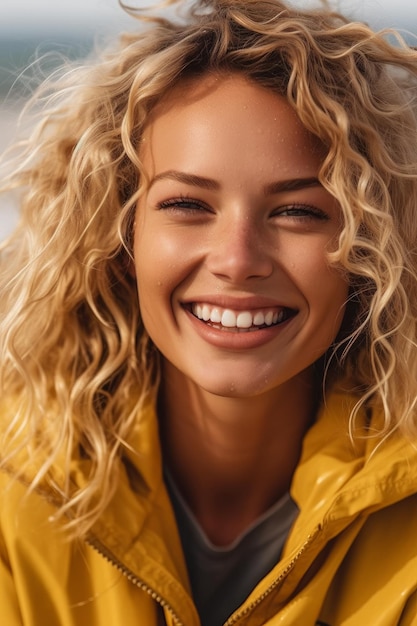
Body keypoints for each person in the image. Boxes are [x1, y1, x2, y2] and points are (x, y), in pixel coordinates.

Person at [1, 0, 417, 624]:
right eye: (188, 204)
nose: (236, 260)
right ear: (120, 240)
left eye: (298, 211)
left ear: (368, 251)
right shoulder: (14, 495)